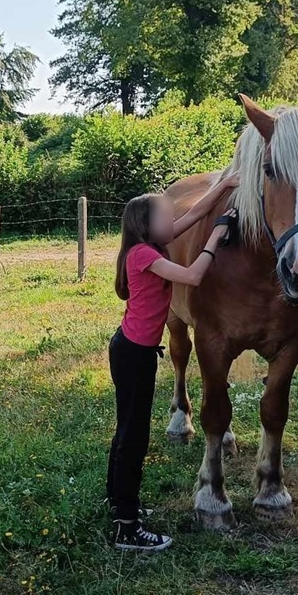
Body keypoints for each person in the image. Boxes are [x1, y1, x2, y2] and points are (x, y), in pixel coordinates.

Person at [107, 175, 238, 551]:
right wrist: (217, 235)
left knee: (126, 428)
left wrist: (225, 183)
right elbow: (194, 276)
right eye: (167, 216)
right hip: (133, 354)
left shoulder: (151, 243)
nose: (174, 221)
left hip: (134, 349)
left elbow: (195, 211)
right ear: (147, 226)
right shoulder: (146, 255)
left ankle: (117, 501)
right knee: (134, 436)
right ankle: (127, 527)